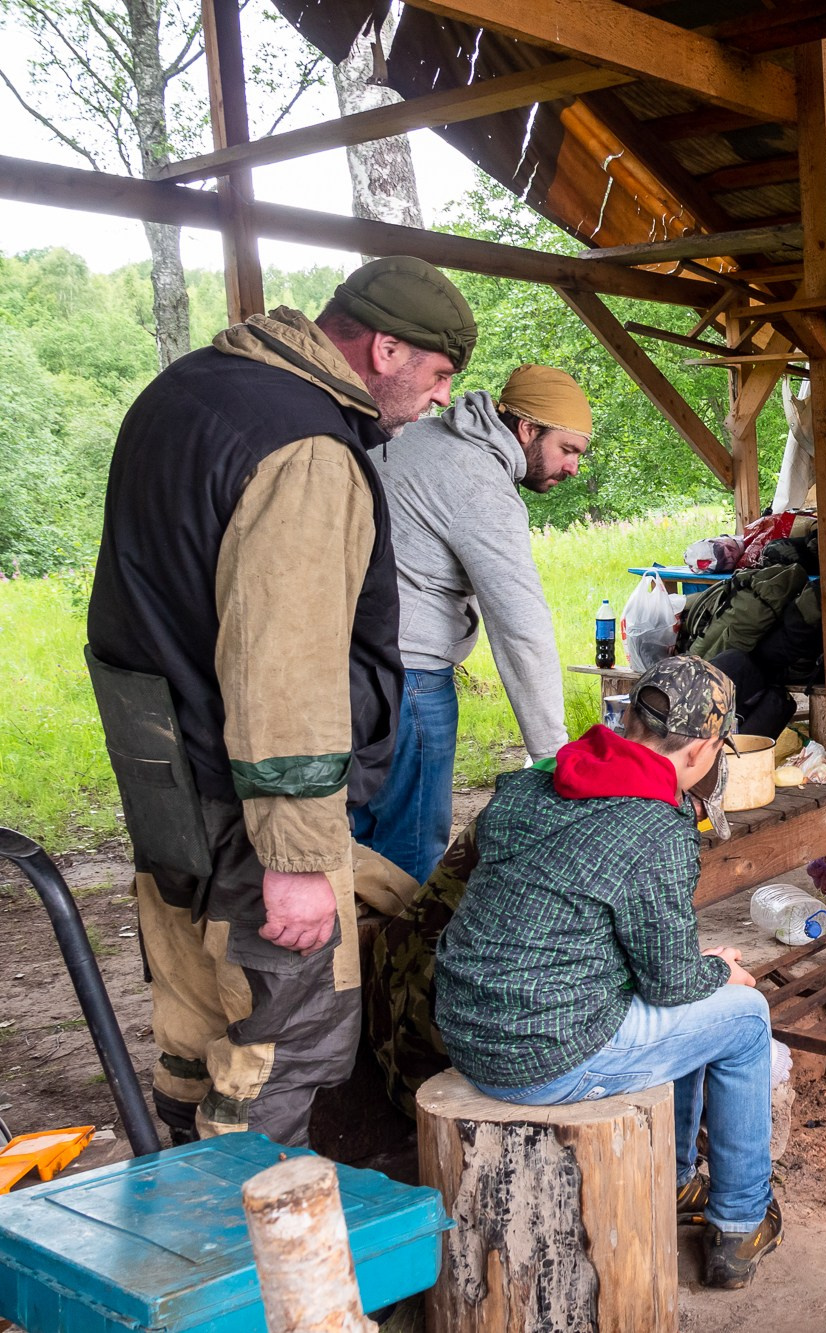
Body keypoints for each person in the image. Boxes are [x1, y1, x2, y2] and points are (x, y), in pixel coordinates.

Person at [86, 256, 477, 1145]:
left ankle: (183, 1210)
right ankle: (255, 1228)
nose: (440, 398)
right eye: (438, 374)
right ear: (386, 349)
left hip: (166, 778)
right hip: (250, 810)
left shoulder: (186, 392)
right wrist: (298, 859)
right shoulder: (306, 448)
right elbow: (285, 664)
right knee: (282, 1044)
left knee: (195, 1025)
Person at [432, 656, 783, 1290]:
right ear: (703, 749)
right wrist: (718, 971)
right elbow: (671, 984)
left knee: (697, 1000)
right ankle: (740, 1222)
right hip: (544, 1054)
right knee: (746, 1019)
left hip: (464, 1026)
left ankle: (677, 1181)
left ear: (630, 720)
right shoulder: (656, 825)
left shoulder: (537, 782)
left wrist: (698, 970)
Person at [355, 364, 594, 883]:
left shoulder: (416, 438)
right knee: (409, 852)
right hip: (411, 679)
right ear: (527, 429)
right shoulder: (480, 486)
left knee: (353, 841)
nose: (573, 467)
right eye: (567, 449)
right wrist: (552, 753)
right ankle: (402, 936)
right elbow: (520, 624)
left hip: (350, 665)